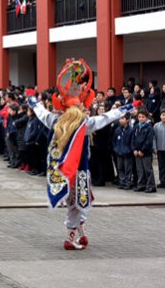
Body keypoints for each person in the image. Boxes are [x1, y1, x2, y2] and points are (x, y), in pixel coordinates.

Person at [26, 59, 133, 250]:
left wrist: (34, 101)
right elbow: (105, 118)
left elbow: (41, 113)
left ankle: (81, 233)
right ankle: (71, 237)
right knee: (76, 205)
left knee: (82, 203)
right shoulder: (84, 124)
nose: (85, 109)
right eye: (83, 107)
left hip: (62, 171)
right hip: (78, 172)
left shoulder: (56, 120)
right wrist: (122, 110)